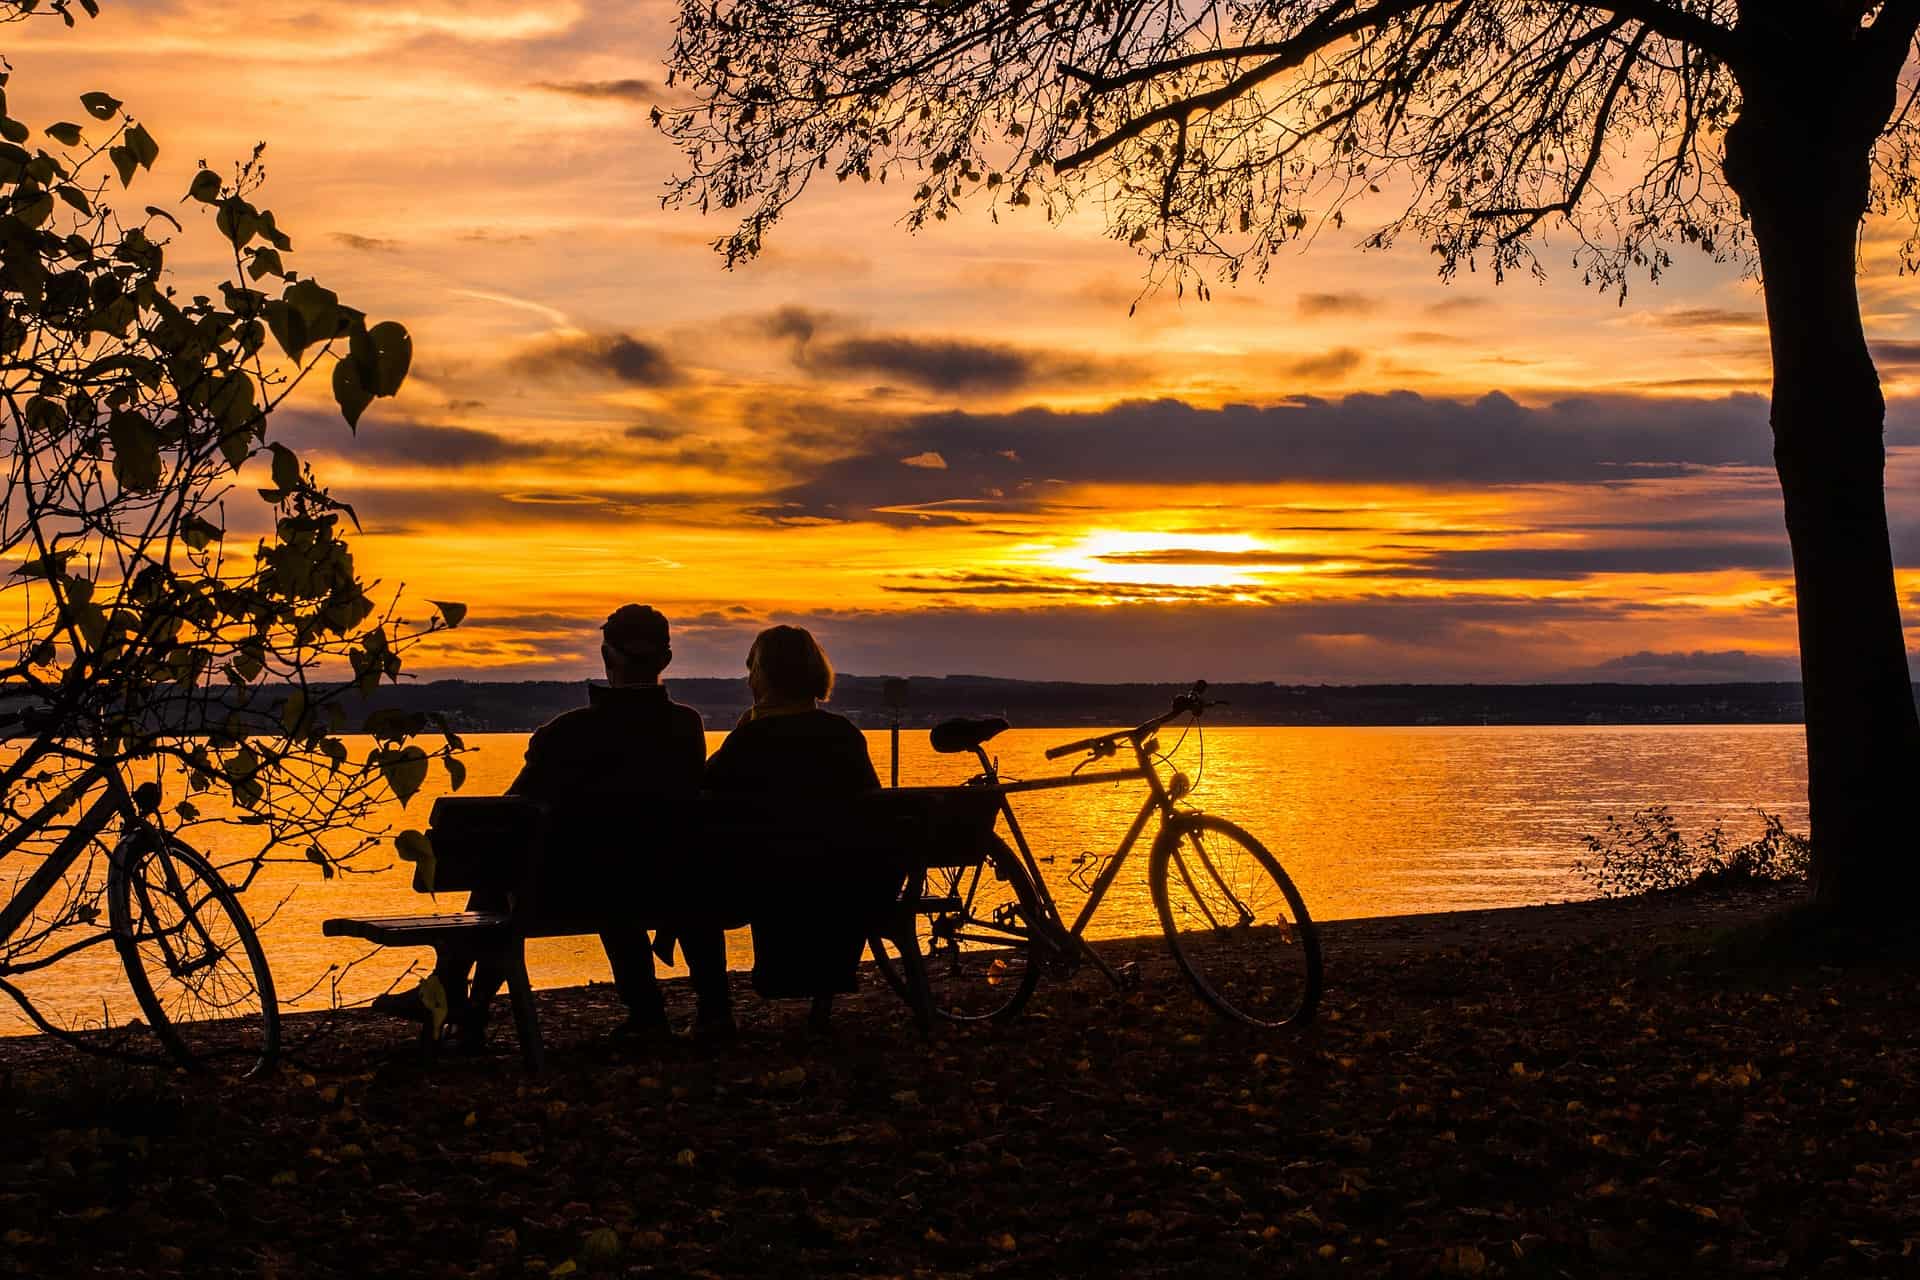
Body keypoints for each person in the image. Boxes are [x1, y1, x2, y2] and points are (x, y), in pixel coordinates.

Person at [381, 605, 731, 1042]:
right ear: (667, 659)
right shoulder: (686, 726)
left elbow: (508, 813)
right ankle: (674, 1014)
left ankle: (454, 989)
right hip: (670, 883)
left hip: (574, 892)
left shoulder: (569, 732)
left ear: (608, 655)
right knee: (567, 870)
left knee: (507, 864)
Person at [703, 625, 881, 1027]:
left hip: (770, 881)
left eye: (751, 669)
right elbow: (873, 806)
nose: (748, 679)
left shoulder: (752, 739)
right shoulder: (844, 735)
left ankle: (713, 1013)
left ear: (764, 676)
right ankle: (821, 993)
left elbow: (705, 789)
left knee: (691, 883)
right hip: (846, 881)